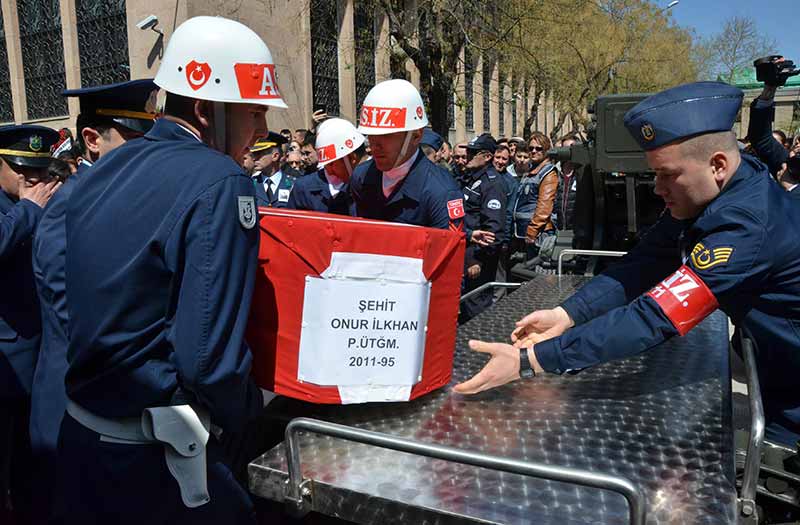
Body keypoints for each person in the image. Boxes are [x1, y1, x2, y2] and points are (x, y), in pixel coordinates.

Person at [455, 81, 800, 448]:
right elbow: (640, 265)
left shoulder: (744, 226)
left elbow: (653, 318)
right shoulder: (716, 189)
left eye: (667, 174)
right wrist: (567, 314)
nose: (656, 187)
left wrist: (532, 360)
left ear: (717, 165)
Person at [55, 16, 286, 523]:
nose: (263, 131)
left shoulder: (110, 166)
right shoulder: (221, 181)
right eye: (254, 112)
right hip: (156, 467)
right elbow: (207, 361)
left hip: (81, 447)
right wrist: (261, 410)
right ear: (207, 110)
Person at [29, 79, 157, 524]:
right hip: (72, 398)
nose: (149, 149)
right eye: (136, 137)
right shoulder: (70, 205)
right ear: (91, 140)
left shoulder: (121, 198)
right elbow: (73, 310)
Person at [0, 124, 60, 525]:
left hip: (44, 345)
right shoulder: (27, 205)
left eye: (37, 170)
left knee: (31, 452)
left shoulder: (43, 197)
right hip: (6, 352)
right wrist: (29, 211)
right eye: (20, 170)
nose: (31, 180)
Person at [350, 79, 465, 232]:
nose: (374, 145)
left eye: (386, 135)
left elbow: (447, 253)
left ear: (416, 136)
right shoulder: (361, 177)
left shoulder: (441, 191)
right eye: (370, 135)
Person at [460, 133, 506, 321]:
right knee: (466, 305)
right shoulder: (471, 178)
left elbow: (493, 230)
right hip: (465, 248)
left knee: (477, 307)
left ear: (487, 156)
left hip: (477, 257)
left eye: (473, 153)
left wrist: (477, 258)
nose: (468, 156)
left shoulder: (492, 184)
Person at [287, 117, 363, 215]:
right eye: (325, 164)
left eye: (331, 164)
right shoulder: (303, 188)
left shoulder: (371, 186)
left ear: (351, 158)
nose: (329, 171)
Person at [747, 55, 799, 197]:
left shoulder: (789, 180)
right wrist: (770, 88)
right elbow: (761, 139)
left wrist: (792, 188)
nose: (798, 144)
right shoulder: (790, 166)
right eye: (798, 140)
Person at [511, 131, 558, 263]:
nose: (533, 151)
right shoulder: (531, 170)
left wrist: (532, 231)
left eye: (538, 148)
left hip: (538, 235)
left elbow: (545, 206)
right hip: (523, 233)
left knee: (538, 276)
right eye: (530, 148)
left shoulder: (548, 172)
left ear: (547, 150)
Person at [250, 131, 296, 208]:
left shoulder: (293, 184)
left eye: (259, 154)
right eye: (253, 154)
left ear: (275, 156)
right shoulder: (250, 184)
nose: (254, 158)